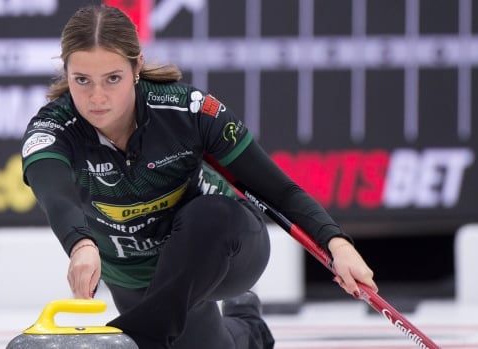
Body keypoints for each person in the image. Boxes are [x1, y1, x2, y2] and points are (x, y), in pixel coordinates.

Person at [21, 5, 378, 349]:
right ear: (65, 73)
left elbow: (278, 190)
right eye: (82, 80)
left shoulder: (187, 111)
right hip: (138, 278)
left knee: (209, 215)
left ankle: (135, 338)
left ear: (137, 68)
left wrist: (337, 243)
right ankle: (248, 327)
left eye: (112, 78)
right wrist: (81, 244)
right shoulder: (53, 128)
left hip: (222, 250)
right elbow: (56, 194)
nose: (97, 97)